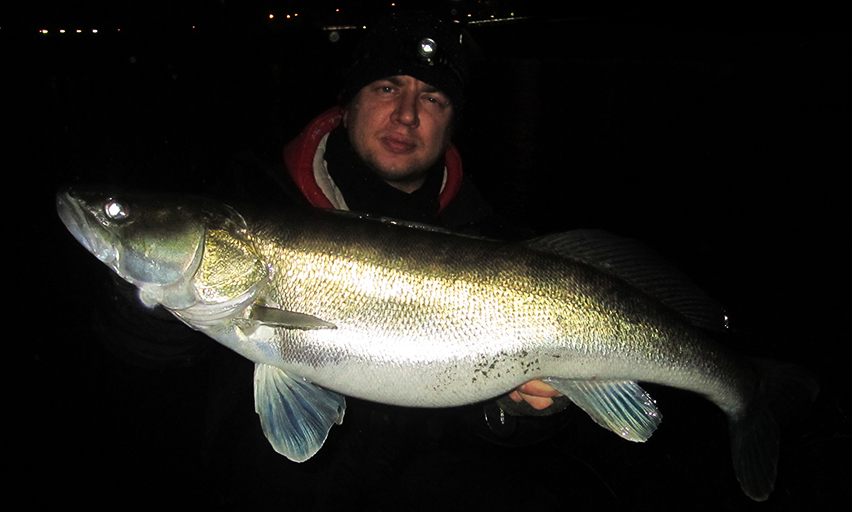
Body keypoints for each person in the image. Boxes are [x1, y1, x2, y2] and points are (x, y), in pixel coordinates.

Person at [280, 11, 569, 427]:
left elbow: (493, 455)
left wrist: (518, 411)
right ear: (347, 105)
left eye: (433, 98)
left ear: (451, 126)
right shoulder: (256, 197)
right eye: (386, 87)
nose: (406, 114)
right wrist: (159, 334)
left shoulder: (496, 242)